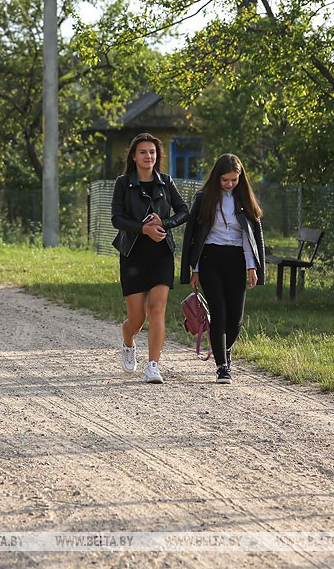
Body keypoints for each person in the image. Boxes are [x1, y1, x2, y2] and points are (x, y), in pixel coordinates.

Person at [180, 153, 265, 384]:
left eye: (234, 180)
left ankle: (225, 349)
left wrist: (252, 267)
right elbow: (196, 237)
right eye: (225, 180)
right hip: (210, 260)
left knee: (235, 319)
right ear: (217, 177)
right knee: (219, 313)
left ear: (240, 178)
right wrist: (194, 270)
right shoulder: (204, 198)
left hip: (237, 259)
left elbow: (249, 238)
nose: (229, 184)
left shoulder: (245, 200)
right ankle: (222, 367)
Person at [111, 133, 189, 384]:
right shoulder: (123, 183)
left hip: (161, 255)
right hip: (133, 255)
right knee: (137, 318)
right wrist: (142, 228)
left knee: (157, 310)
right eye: (143, 152)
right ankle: (128, 340)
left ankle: (153, 365)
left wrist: (163, 223)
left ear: (158, 156)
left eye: (152, 152)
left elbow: (184, 212)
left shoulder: (166, 182)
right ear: (134, 156)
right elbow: (116, 219)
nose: (148, 156)